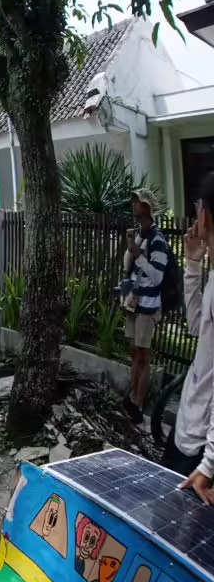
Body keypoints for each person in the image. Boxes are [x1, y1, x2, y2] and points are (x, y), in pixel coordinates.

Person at [173, 174, 214, 487]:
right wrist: (192, 264)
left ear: (203, 215)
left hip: (201, 449)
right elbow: (197, 326)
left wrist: (209, 465)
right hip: (191, 432)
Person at [121, 188, 170, 423]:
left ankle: (139, 406)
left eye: (137, 202)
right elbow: (130, 266)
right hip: (134, 302)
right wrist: (131, 249)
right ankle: (132, 400)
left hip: (149, 304)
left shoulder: (158, 240)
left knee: (143, 354)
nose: (134, 206)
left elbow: (158, 276)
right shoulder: (139, 235)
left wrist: (138, 255)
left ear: (147, 208)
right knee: (134, 352)